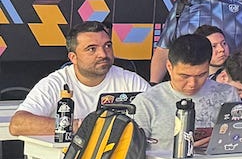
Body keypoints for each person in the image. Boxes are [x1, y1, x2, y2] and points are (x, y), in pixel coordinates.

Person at [10, 20, 150, 136]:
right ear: (73, 58)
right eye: (91, 49)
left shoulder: (130, 80)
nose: (103, 54)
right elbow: (17, 124)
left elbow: (158, 113)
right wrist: (80, 125)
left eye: (107, 46)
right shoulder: (55, 82)